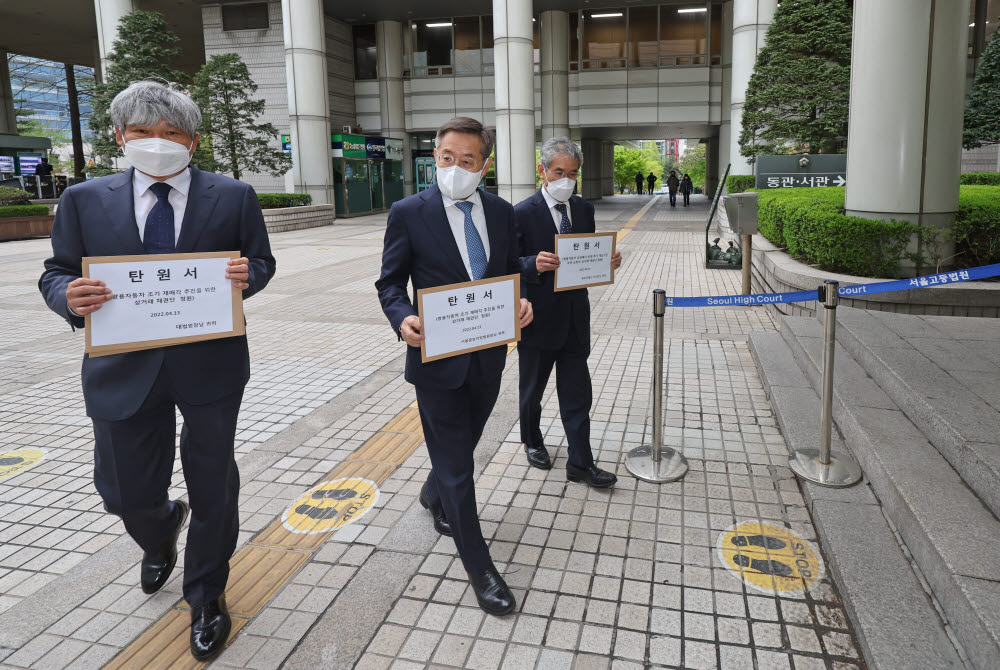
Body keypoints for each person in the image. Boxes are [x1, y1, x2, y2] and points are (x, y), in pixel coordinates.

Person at [38, 81, 276, 662]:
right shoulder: (85, 200)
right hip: (122, 368)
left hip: (211, 366)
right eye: (142, 132)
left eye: (171, 134)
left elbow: (261, 262)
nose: (157, 144)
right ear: (120, 137)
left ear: (193, 141)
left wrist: (250, 276)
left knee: (214, 482)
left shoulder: (234, 195)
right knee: (123, 491)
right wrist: (69, 295)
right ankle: (162, 525)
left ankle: (207, 595)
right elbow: (56, 271)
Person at [376, 116, 534, 617]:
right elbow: (389, 283)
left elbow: (510, 272)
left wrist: (522, 301)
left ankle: (432, 492)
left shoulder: (502, 211)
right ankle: (478, 564)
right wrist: (402, 318)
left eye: (467, 160)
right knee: (459, 466)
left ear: (483, 166)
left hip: (488, 356)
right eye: (447, 157)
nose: (455, 167)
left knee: (462, 444)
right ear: (435, 157)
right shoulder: (408, 212)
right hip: (436, 362)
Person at [515, 137, 621, 489]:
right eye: (559, 171)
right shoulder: (521, 213)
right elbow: (505, 265)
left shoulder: (584, 209)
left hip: (576, 316)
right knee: (532, 388)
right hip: (537, 318)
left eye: (572, 173)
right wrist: (531, 264)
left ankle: (580, 461)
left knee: (577, 392)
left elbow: (586, 255)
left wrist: (608, 261)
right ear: (542, 171)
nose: (566, 179)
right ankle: (531, 439)